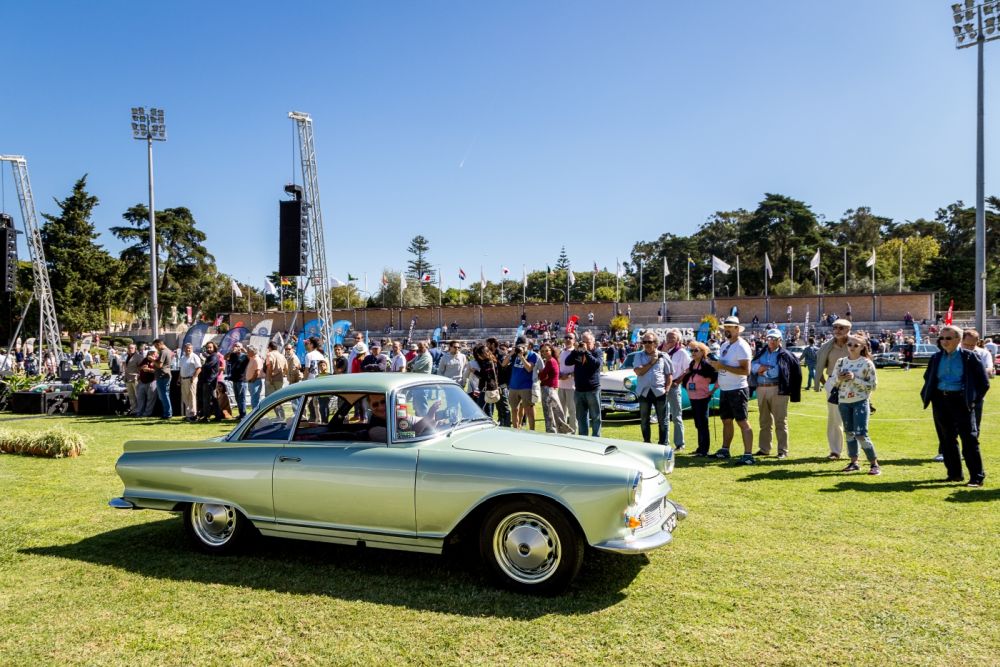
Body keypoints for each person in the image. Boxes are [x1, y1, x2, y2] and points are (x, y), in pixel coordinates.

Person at [921, 325, 989, 487]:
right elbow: (928, 377)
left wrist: (972, 401)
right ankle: (954, 474)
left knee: (969, 440)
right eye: (942, 338)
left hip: (962, 401)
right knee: (947, 440)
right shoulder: (936, 357)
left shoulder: (970, 357)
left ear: (958, 340)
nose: (944, 341)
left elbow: (983, 383)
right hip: (941, 401)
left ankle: (976, 477)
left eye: (948, 338)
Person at [706, 316, 755, 464]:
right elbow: (723, 365)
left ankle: (748, 455)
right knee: (726, 421)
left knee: (742, 422)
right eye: (725, 327)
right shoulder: (725, 345)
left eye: (730, 327)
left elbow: (746, 371)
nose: (726, 329)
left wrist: (722, 366)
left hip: (737, 389)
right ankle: (725, 450)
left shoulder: (742, 346)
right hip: (726, 389)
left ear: (737, 329)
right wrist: (715, 365)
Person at [832, 334, 881, 475]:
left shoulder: (867, 363)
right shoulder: (841, 362)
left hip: (860, 402)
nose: (852, 348)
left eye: (855, 345)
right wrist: (840, 379)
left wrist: (854, 379)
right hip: (843, 402)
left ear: (862, 347)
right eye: (849, 344)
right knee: (849, 433)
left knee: (861, 434)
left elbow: (873, 386)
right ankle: (854, 462)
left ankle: (874, 464)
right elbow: (834, 381)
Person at [750, 329, 802, 459]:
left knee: (780, 421)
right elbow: (752, 366)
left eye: (774, 339)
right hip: (761, 389)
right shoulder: (761, 352)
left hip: (778, 390)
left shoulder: (785, 355)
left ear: (780, 340)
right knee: (764, 421)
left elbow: (777, 372)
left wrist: (762, 371)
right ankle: (764, 449)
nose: (771, 341)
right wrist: (763, 369)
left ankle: (782, 450)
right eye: (769, 339)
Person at [815, 319, 852, 459]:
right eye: (835, 327)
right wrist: (826, 384)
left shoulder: (856, 344)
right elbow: (819, 367)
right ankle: (835, 451)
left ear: (848, 329)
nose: (837, 330)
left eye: (841, 328)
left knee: (853, 418)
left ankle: (854, 452)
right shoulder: (827, 347)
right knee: (834, 419)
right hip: (833, 384)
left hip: (853, 384)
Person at [634, 333, 673, 445]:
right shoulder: (638, 356)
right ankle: (647, 443)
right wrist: (652, 362)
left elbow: (669, 374)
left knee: (663, 421)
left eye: (649, 342)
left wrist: (667, 389)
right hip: (644, 392)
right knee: (644, 420)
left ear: (655, 343)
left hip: (660, 392)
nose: (646, 344)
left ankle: (663, 444)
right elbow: (639, 372)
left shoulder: (664, 356)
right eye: (644, 342)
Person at [680, 341, 718, 456]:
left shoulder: (707, 365)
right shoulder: (692, 364)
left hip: (703, 397)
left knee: (703, 423)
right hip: (693, 397)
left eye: (696, 350)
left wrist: (712, 391)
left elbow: (717, 377)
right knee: (698, 423)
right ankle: (700, 447)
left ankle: (704, 449)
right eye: (691, 350)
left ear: (703, 352)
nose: (693, 353)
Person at [568, 331, 603, 437]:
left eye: (587, 342)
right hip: (579, 390)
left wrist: (587, 352)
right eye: (582, 342)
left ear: (592, 342)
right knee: (581, 417)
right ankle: (583, 438)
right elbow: (567, 362)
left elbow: (597, 365)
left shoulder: (597, 351)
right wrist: (575, 351)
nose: (584, 344)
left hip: (592, 389)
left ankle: (596, 438)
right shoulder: (578, 353)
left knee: (595, 416)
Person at [660, 329, 691, 450]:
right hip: (661, 387)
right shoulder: (661, 351)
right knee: (663, 416)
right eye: (668, 337)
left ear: (678, 340)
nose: (669, 340)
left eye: (672, 338)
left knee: (676, 416)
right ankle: (664, 442)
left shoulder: (682, 353)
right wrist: (663, 352)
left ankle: (680, 443)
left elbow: (688, 368)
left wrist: (678, 380)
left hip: (673, 387)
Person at [961, 329, 993, 433]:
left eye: (972, 345)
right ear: (961, 341)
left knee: (974, 427)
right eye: (966, 345)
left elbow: (989, 369)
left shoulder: (984, 353)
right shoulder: (955, 353)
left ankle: (973, 447)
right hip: (956, 393)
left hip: (976, 395)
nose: (969, 348)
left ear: (977, 342)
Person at [537, 343, 574, 433]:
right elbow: (544, 376)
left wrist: (540, 373)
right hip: (551, 389)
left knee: (549, 413)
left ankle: (552, 432)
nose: (544, 353)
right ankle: (564, 430)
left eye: (547, 351)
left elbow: (541, 376)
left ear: (551, 350)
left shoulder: (550, 361)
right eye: (542, 351)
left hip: (548, 389)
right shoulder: (552, 360)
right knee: (557, 412)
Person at [504, 338, 538, 430]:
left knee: (528, 410)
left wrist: (522, 356)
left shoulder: (532, 355)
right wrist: (511, 353)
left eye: (523, 346)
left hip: (526, 387)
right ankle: (516, 429)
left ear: (528, 346)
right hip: (513, 387)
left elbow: (529, 368)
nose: (521, 348)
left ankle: (532, 431)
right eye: (519, 346)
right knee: (514, 410)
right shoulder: (514, 355)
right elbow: (503, 364)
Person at [198, 341, 225, 422]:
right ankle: (218, 415)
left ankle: (206, 417)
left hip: (209, 380)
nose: (209, 349)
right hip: (210, 380)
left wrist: (202, 365)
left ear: (214, 348)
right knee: (213, 399)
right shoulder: (211, 356)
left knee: (207, 399)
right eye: (207, 347)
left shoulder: (214, 356)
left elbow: (208, 366)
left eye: (210, 347)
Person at [557, 333, 578, 433]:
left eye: (570, 338)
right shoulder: (562, 352)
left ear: (574, 340)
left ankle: (573, 432)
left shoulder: (576, 352)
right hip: (561, 386)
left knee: (572, 411)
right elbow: (559, 367)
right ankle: (563, 432)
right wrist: (559, 375)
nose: (568, 339)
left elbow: (579, 369)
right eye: (566, 337)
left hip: (572, 386)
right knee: (561, 411)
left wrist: (569, 375)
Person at [178, 342, 201, 422]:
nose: (188, 349)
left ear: (192, 349)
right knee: (185, 397)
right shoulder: (182, 357)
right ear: (184, 349)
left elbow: (199, 368)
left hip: (191, 379)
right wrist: (179, 379)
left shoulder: (195, 357)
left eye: (189, 348)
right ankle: (188, 414)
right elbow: (181, 369)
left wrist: (194, 377)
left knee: (192, 397)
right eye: (186, 348)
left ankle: (193, 415)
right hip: (183, 379)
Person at [227, 343, 250, 420]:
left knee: (241, 397)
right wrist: (231, 351)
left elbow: (251, 358)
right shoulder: (233, 355)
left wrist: (245, 351)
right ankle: (240, 414)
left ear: (241, 347)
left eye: (238, 346)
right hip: (234, 379)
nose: (236, 347)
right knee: (237, 397)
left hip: (242, 379)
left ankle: (243, 415)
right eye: (235, 345)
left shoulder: (244, 356)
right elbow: (225, 357)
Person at [135, 349, 159, 417]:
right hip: (142, 381)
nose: (151, 354)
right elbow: (138, 368)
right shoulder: (145, 360)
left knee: (150, 399)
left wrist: (149, 370)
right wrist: (141, 367)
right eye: (150, 353)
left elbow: (158, 371)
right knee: (140, 398)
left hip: (152, 381)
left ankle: (147, 414)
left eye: (153, 353)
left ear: (156, 354)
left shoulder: (157, 360)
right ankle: (139, 413)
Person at [121, 343, 142, 416]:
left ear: (135, 349)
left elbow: (141, 368)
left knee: (138, 395)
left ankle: (139, 410)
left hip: (135, 378)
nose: (130, 349)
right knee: (131, 396)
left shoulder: (139, 357)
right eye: (129, 348)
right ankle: (133, 410)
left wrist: (138, 376)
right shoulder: (127, 357)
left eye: (132, 348)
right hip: (127, 378)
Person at [245, 345, 264, 410]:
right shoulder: (252, 358)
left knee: (255, 399)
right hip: (253, 381)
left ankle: (255, 414)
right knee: (254, 398)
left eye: (248, 351)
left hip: (255, 381)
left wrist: (252, 380)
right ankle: (255, 413)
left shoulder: (256, 359)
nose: (247, 352)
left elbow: (257, 372)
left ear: (252, 352)